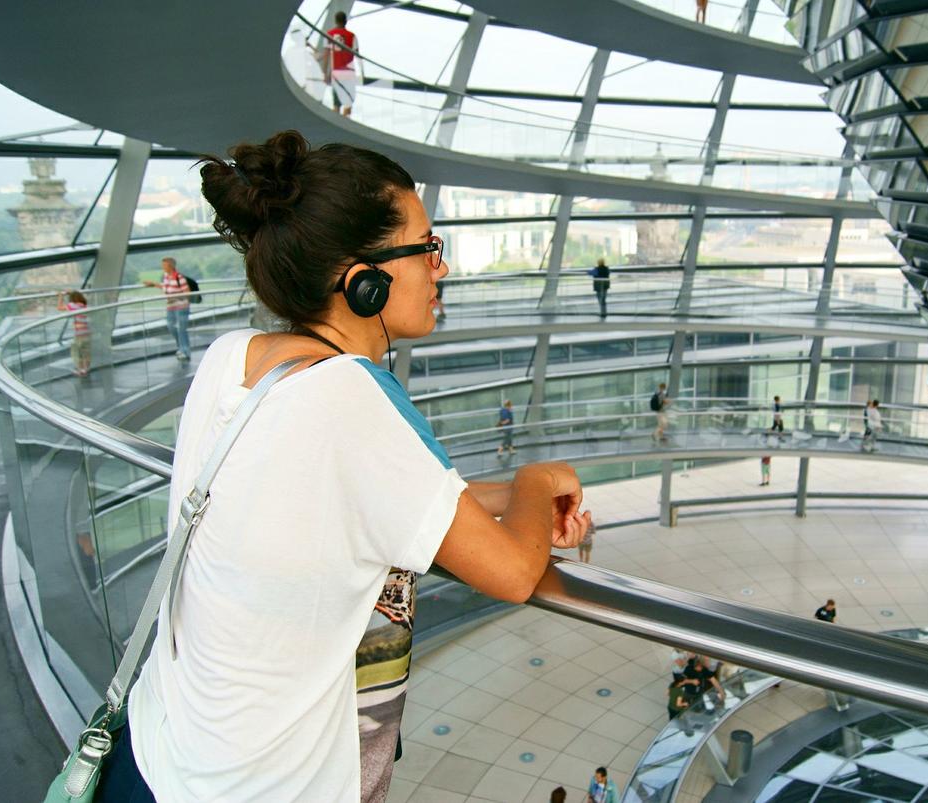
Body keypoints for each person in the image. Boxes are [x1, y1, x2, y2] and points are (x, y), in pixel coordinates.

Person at [121, 130, 592, 802]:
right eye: (427, 248)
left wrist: (512, 506)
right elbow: (513, 573)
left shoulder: (234, 357)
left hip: (161, 752)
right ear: (361, 281)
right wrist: (536, 481)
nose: (442, 267)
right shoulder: (350, 399)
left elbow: (383, 496)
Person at [143, 257, 192, 361]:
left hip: (181, 307)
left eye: (164, 265)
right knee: (171, 327)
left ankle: (185, 351)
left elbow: (187, 293)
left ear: (170, 266)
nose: (162, 267)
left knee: (181, 329)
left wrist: (175, 298)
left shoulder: (179, 277)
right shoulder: (166, 277)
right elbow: (166, 287)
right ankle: (181, 348)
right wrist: (153, 284)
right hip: (171, 307)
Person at [322, 11, 362, 117]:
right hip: (349, 73)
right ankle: (345, 122)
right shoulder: (352, 36)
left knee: (336, 104)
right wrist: (363, 73)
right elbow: (358, 56)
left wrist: (324, 73)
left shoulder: (329, 34)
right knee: (348, 104)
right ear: (345, 21)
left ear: (335, 21)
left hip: (336, 73)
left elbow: (326, 55)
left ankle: (336, 124)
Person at [57, 290, 92, 376]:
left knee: (76, 351)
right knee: (86, 352)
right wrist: (71, 293)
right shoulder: (83, 306)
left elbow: (59, 308)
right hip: (87, 332)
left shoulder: (72, 306)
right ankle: (85, 369)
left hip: (79, 333)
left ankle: (80, 370)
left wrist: (61, 296)